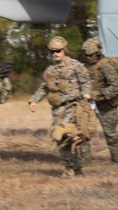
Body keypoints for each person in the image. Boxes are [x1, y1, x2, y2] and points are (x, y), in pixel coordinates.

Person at [28, 36, 93, 177]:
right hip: (58, 109)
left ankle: (74, 167)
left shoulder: (76, 66)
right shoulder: (50, 70)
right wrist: (34, 100)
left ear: (65, 50)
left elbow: (86, 82)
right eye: (52, 51)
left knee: (70, 136)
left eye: (58, 51)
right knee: (61, 138)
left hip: (74, 106)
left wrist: (86, 93)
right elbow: (44, 88)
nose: (55, 54)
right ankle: (71, 168)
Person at [81, 38, 118, 166]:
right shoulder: (85, 67)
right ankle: (85, 160)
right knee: (83, 130)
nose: (88, 57)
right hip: (89, 104)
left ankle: (117, 161)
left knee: (110, 133)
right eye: (86, 55)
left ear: (98, 53)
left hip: (106, 105)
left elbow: (116, 86)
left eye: (91, 55)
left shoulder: (106, 66)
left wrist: (97, 94)